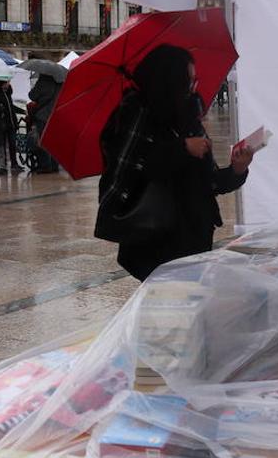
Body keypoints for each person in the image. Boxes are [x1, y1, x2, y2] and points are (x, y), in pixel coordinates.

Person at [97, 44, 254, 281]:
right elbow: (130, 169)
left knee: (189, 310)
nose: (193, 87)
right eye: (188, 80)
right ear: (169, 79)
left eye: (194, 80)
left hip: (194, 237)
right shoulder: (136, 111)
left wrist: (237, 169)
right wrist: (182, 148)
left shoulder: (188, 116)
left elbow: (210, 182)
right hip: (155, 238)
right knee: (165, 311)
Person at [27, 74, 61, 173]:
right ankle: (55, 165)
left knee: (43, 141)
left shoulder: (43, 82)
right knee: (53, 142)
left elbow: (32, 95)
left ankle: (46, 165)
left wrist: (36, 86)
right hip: (56, 115)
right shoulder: (60, 82)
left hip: (43, 115)